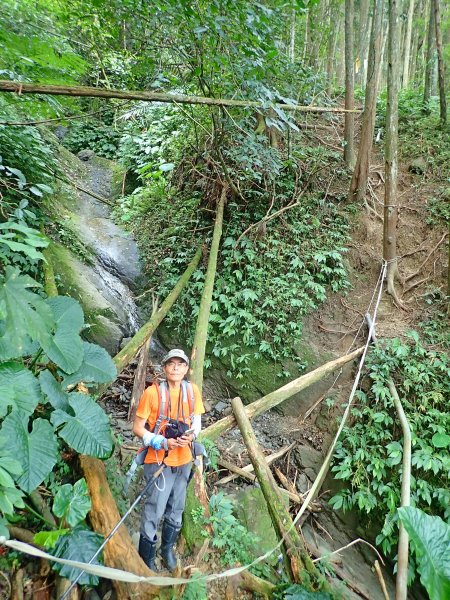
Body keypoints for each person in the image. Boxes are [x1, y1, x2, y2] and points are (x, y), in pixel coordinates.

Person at [133, 348, 205, 572]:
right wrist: (162, 442)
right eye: (171, 364)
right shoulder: (152, 393)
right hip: (158, 461)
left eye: (180, 364)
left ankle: (167, 551)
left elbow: (197, 423)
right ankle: (147, 559)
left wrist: (191, 435)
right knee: (155, 508)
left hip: (184, 460)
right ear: (164, 368)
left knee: (177, 507)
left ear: (186, 368)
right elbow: (137, 428)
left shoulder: (192, 391)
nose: (175, 368)